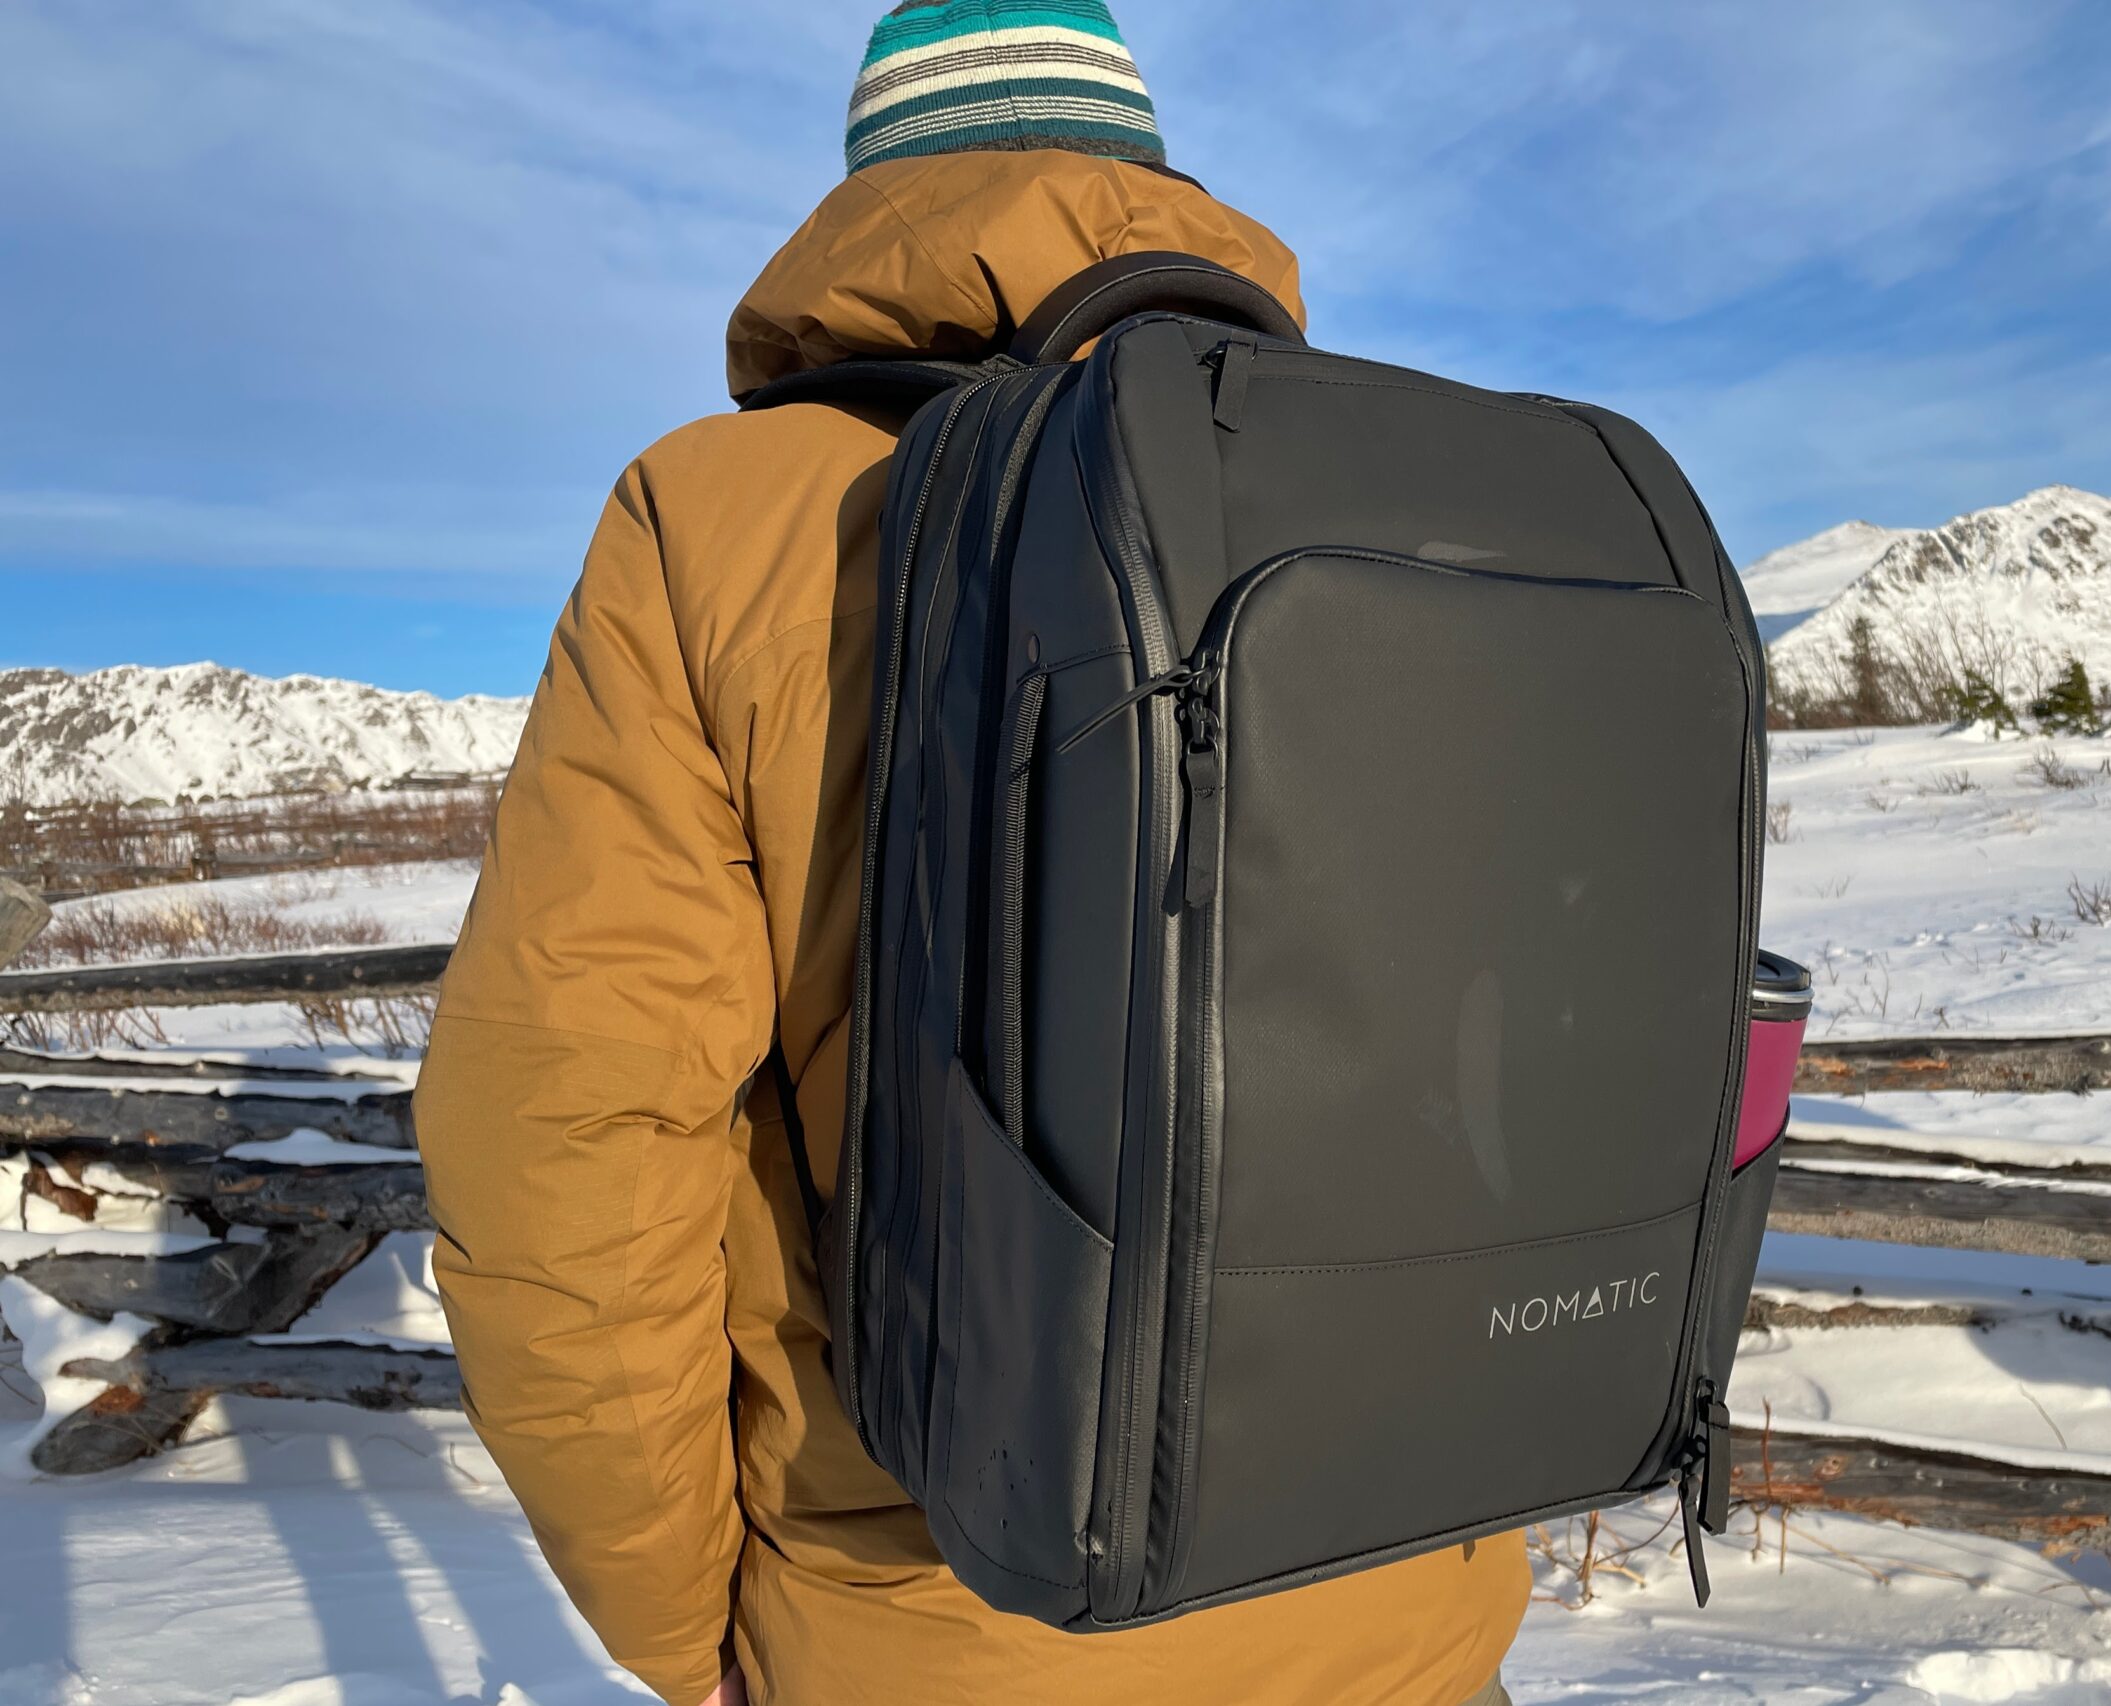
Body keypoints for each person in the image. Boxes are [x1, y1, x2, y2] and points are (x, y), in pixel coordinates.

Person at [412, 3, 1531, 1701]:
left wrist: (678, 1620)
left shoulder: (716, 520)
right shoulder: (1383, 485)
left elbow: (565, 1140)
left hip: (940, 1613)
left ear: (876, 190)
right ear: (1149, 171)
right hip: (1404, 1589)